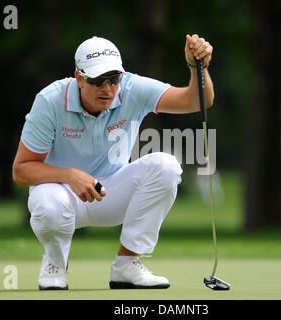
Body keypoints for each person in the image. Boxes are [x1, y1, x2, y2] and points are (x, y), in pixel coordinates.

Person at [12, 34, 214, 290]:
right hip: (61, 194)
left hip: (112, 194)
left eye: (113, 79)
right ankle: (54, 262)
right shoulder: (50, 100)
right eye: (97, 81)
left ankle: (127, 264)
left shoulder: (132, 88)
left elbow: (197, 101)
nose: (107, 88)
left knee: (167, 165)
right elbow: (21, 170)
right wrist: (70, 175)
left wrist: (198, 68)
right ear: (79, 78)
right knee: (48, 203)